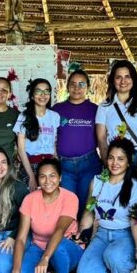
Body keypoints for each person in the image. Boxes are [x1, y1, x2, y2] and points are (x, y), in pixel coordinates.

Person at [0, 158, 83, 273]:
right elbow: (21, 239)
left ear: (60, 178)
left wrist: (45, 258)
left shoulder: (70, 198)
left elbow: (60, 230)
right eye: (42, 176)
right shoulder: (30, 200)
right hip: (39, 247)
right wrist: (16, 272)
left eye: (52, 176)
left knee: (58, 247)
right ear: (38, 179)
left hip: (66, 248)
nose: (47, 181)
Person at [76, 138, 137, 273]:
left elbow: (135, 222)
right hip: (101, 235)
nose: (115, 163)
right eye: (111, 158)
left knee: (113, 256)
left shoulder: (136, 188)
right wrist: (80, 231)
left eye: (120, 159)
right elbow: (90, 210)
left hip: (125, 236)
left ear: (128, 162)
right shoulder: (97, 182)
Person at [96, 60, 137, 179]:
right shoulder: (104, 106)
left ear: (133, 79)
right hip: (114, 159)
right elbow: (101, 138)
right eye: (118, 77)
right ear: (113, 80)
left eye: (127, 76)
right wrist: (107, 163)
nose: (123, 81)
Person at [53, 70, 101, 217]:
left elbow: (102, 137)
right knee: (67, 207)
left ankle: (85, 231)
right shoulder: (57, 109)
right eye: (73, 84)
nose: (77, 88)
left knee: (87, 206)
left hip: (89, 164)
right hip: (64, 167)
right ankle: (70, 232)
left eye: (81, 84)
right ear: (67, 86)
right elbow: (50, 137)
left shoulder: (96, 110)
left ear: (88, 87)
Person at [15, 78, 60, 191]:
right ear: (32, 95)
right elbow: (21, 150)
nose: (43, 95)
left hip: (49, 166)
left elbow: (54, 143)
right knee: (30, 199)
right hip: (30, 166)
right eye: (38, 91)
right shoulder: (24, 117)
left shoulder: (55, 116)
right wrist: (31, 177)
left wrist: (56, 164)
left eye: (46, 91)